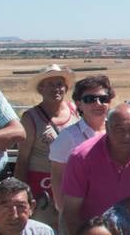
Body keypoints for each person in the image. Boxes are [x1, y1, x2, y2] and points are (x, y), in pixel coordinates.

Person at [60, 104, 130, 235]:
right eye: (119, 129)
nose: (126, 136)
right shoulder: (82, 157)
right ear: (107, 127)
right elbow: (71, 211)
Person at [15, 64, 77, 224]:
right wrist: (21, 196)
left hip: (71, 187)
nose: (56, 89)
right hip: (41, 191)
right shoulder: (30, 118)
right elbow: (23, 159)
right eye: (50, 84)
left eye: (59, 84)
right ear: (41, 88)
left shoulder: (76, 111)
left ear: (66, 87)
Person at [48, 75, 114, 217]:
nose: (98, 104)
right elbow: (57, 178)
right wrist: (66, 216)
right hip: (81, 214)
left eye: (103, 99)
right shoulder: (67, 137)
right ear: (78, 104)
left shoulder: (117, 132)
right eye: (90, 99)